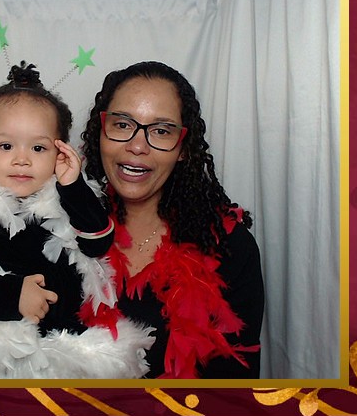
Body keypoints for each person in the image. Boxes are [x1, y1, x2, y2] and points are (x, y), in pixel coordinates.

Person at [0, 63, 152, 379]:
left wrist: (73, 185)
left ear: (59, 152)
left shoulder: (70, 201)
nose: (22, 159)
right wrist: (12, 295)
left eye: (38, 148)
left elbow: (97, 242)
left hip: (73, 358)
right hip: (3, 365)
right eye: (6, 146)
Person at [80, 61, 264, 378]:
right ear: (101, 132)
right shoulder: (58, 230)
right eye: (122, 124)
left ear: (183, 149)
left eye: (161, 131)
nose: (137, 146)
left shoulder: (231, 248)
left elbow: (236, 388)